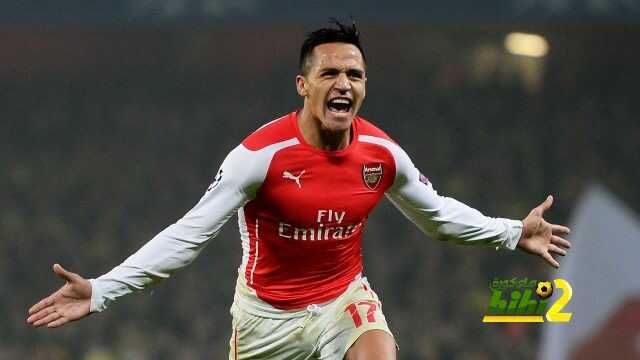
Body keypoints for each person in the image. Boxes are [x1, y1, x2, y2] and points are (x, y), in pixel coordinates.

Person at [26, 19, 572, 359]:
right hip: (267, 320)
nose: (344, 84)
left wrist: (510, 232)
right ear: (303, 85)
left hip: (344, 301)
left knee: (379, 352)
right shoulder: (259, 157)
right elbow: (188, 236)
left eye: (355, 75)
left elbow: (436, 215)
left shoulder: (381, 154)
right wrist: (103, 290)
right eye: (331, 73)